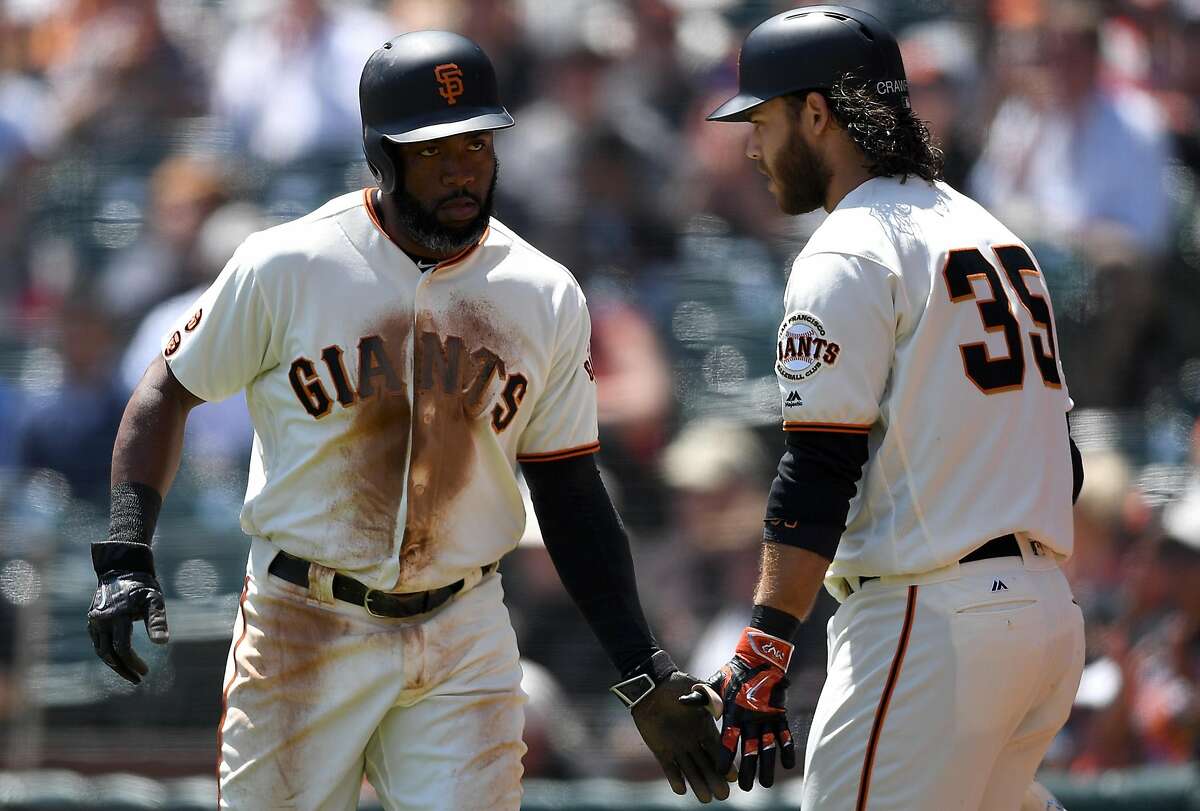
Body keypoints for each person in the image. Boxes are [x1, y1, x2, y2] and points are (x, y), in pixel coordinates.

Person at [85, 31, 726, 810]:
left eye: (477, 145)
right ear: (381, 156)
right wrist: (125, 553)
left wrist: (641, 663)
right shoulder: (289, 263)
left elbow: (569, 491)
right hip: (304, 619)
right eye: (434, 151)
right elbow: (165, 392)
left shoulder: (542, 292)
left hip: (464, 627)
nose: (462, 169)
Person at [683, 7, 1085, 810]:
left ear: (818, 113)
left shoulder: (848, 247)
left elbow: (821, 466)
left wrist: (765, 642)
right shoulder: (994, 233)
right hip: (1044, 620)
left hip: (929, 620)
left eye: (761, 119)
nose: (751, 146)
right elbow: (1065, 459)